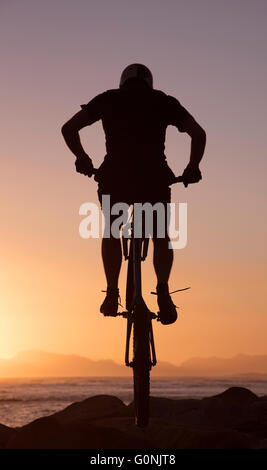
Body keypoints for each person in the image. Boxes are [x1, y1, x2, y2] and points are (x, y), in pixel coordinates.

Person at [61, 64, 206, 325]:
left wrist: (82, 158)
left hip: (115, 178)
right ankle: (163, 291)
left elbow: (68, 128)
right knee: (160, 234)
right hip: (154, 179)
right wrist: (192, 167)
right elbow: (198, 133)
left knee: (112, 231)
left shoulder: (108, 99)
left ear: (123, 82)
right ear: (149, 83)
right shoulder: (163, 101)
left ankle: (112, 292)